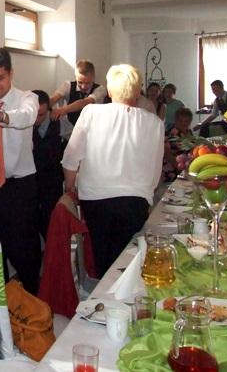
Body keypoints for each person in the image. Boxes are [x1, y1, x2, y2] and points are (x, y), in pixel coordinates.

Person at [62, 64, 164, 277]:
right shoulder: (155, 123)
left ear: (109, 91)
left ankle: (103, 290)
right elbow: (156, 170)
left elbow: (71, 158)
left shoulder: (91, 113)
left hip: (96, 198)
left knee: (101, 254)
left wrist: (70, 188)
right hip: (135, 200)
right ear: (138, 92)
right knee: (127, 259)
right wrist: (146, 194)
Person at [0, 47, 42, 295]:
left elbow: (27, 117)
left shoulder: (27, 98)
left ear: (11, 73)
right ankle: (2, 309)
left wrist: (0, 115)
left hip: (21, 187)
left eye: (0, 78)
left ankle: (34, 302)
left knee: (25, 251)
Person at [32, 90, 65, 241]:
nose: (36, 119)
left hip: (53, 180)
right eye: (34, 114)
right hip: (31, 180)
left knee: (51, 218)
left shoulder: (59, 122)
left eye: (41, 115)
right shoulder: (23, 123)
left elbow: (74, 145)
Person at [49, 60, 108, 126]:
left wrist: (64, 109)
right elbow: (54, 98)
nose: (83, 86)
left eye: (88, 83)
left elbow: (85, 102)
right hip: (72, 127)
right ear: (76, 77)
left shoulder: (100, 89)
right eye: (80, 82)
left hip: (93, 127)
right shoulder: (67, 86)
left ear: (93, 78)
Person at [163, 107, 194, 182]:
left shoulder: (189, 132)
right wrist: (179, 168)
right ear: (176, 120)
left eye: (186, 121)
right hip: (173, 167)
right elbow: (167, 153)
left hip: (186, 165)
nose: (183, 123)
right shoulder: (171, 132)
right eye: (180, 120)